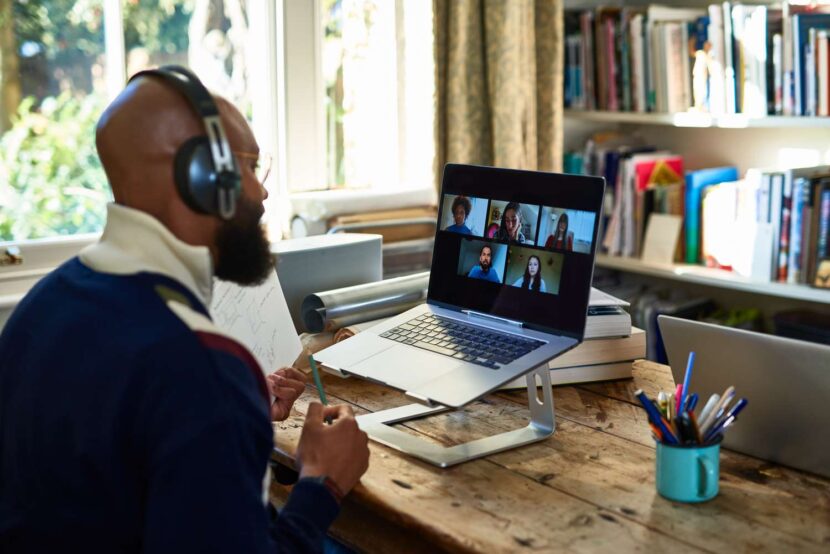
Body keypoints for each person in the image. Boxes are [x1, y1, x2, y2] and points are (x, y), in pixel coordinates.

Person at [0, 67, 369, 553]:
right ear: (200, 177)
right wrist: (324, 484)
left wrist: (226, 420)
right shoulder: (201, 364)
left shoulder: (45, 304)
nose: (261, 193)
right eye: (250, 168)